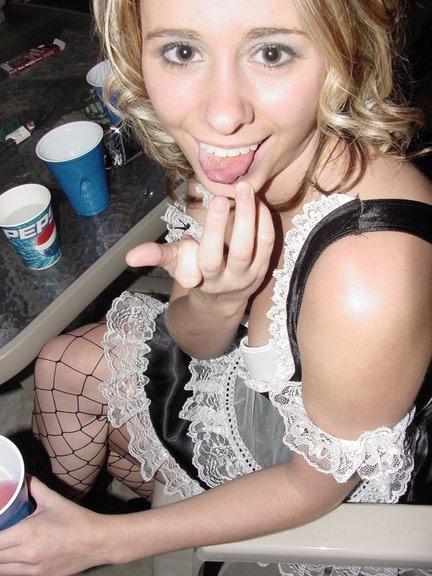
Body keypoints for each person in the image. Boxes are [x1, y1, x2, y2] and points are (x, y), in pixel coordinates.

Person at [1, 0, 432, 575]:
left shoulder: (368, 271)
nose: (221, 114)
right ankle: (41, 535)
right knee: (60, 363)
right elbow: (196, 342)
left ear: (343, 51)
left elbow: (317, 486)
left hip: (319, 481)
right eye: (182, 51)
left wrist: (106, 542)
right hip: (258, 399)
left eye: (272, 52)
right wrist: (218, 300)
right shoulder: (235, 156)